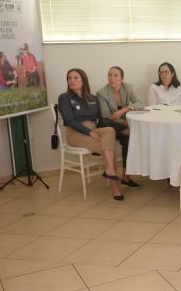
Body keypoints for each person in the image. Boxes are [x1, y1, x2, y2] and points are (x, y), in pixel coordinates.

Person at [59, 69, 124, 201]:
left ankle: (110, 170)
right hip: (75, 133)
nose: (72, 80)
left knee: (109, 131)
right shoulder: (64, 98)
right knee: (107, 146)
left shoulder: (93, 98)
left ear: (83, 80)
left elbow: (101, 120)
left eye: (76, 78)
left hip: (94, 130)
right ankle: (115, 186)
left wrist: (120, 125)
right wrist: (89, 132)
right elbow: (69, 121)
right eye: (69, 78)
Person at [96, 66, 145, 188]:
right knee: (105, 122)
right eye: (109, 75)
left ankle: (126, 177)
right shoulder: (102, 93)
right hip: (109, 128)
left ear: (122, 78)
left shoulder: (128, 88)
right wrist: (126, 125)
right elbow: (107, 117)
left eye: (115, 75)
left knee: (129, 141)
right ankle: (128, 131)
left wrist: (125, 109)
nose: (112, 78)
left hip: (123, 128)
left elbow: (141, 104)